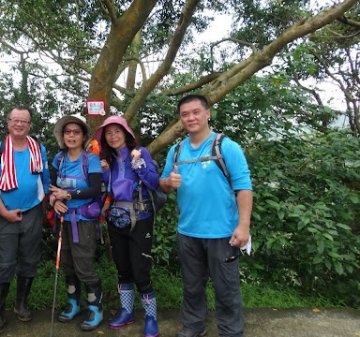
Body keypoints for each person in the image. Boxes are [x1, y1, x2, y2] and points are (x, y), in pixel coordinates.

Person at [159, 94, 253, 337]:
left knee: (226, 288)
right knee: (192, 287)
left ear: (207, 113)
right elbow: (163, 184)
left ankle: (231, 332)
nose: (190, 118)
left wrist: (243, 226)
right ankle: (193, 327)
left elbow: (243, 187)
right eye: (185, 114)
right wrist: (169, 181)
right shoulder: (176, 150)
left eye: (195, 112)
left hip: (222, 233)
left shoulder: (226, 147)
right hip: (188, 231)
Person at [0, 105, 51, 334]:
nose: (20, 124)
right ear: (8, 122)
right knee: (5, 263)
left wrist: (47, 207)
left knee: (29, 260)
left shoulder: (38, 148)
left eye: (25, 121)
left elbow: (44, 178)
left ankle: (21, 304)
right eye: (16, 120)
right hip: (6, 214)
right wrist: (2, 212)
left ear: (30, 125)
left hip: (33, 212)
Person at [95, 115, 160, 337]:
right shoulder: (108, 160)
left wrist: (137, 163)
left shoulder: (140, 153)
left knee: (140, 269)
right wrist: (104, 172)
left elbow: (153, 182)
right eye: (109, 133)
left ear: (126, 134)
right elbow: (105, 189)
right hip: (116, 218)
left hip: (141, 217)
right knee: (122, 268)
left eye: (117, 132)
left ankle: (151, 316)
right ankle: (127, 311)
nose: (113, 136)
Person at [49, 114, 103, 331]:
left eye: (76, 132)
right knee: (68, 265)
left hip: (83, 221)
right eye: (67, 132)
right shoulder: (58, 159)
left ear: (83, 136)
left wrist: (68, 195)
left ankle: (95, 306)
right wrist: (54, 201)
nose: (71, 136)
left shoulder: (91, 160)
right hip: (62, 220)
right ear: (62, 136)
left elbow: (94, 188)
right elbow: (50, 187)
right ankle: (73, 303)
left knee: (84, 266)